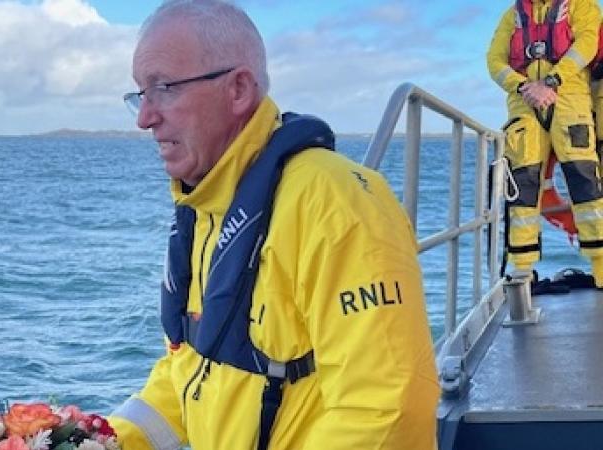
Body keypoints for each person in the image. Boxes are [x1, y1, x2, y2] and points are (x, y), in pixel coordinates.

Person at [109, 1, 439, 449]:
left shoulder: (334, 202)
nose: (145, 117)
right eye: (140, 95)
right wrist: (96, 439)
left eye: (163, 88)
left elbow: (388, 410)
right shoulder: (208, 207)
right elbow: (194, 369)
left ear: (239, 89)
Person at [487, 0, 603, 284]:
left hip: (569, 101)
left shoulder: (583, 7)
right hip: (524, 104)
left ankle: (601, 267)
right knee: (522, 187)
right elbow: (495, 61)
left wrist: (551, 81)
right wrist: (524, 86)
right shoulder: (512, 15)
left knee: (585, 183)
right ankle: (522, 272)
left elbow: (586, 45)